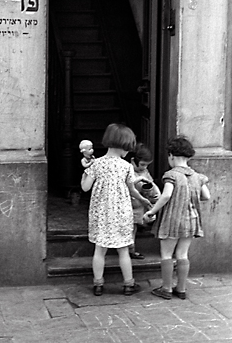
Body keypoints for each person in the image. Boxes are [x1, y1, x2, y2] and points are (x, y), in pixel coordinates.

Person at [81, 123, 152, 296]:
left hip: (101, 214)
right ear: (124, 147)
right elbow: (131, 189)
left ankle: (98, 284)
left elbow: (85, 187)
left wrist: (84, 172)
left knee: (100, 249)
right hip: (121, 214)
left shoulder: (96, 164)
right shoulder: (126, 166)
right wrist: (143, 200)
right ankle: (129, 284)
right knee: (123, 250)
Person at [143, 135, 210, 300]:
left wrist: (151, 212)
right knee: (182, 254)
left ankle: (166, 288)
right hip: (191, 220)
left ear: (171, 155)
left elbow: (166, 196)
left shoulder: (171, 175)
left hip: (173, 220)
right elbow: (206, 196)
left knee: (166, 254)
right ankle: (181, 288)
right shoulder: (197, 177)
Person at [127, 143, 161, 259]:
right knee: (131, 228)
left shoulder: (144, 172)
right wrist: (138, 180)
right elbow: (126, 186)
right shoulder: (127, 169)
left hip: (142, 204)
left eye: (147, 165)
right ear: (133, 160)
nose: (144, 167)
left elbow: (150, 185)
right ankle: (131, 249)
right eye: (142, 164)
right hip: (131, 205)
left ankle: (143, 225)